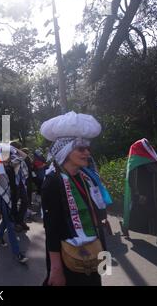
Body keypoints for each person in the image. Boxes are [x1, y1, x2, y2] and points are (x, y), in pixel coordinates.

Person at [40, 112, 112, 286]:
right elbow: (52, 229)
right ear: (65, 150)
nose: (87, 152)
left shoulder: (86, 177)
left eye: (88, 148)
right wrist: (56, 271)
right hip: (68, 258)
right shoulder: (52, 182)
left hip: (93, 250)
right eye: (81, 149)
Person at [121, 138, 157, 250]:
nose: (150, 146)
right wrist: (139, 194)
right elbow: (133, 180)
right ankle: (125, 226)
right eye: (146, 144)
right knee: (138, 214)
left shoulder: (151, 159)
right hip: (145, 195)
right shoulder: (136, 162)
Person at [0, 144, 29, 264]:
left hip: (13, 197)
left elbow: (24, 156)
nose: (7, 155)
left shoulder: (13, 162)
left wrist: (11, 146)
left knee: (6, 220)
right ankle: (17, 253)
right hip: (4, 198)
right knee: (10, 224)